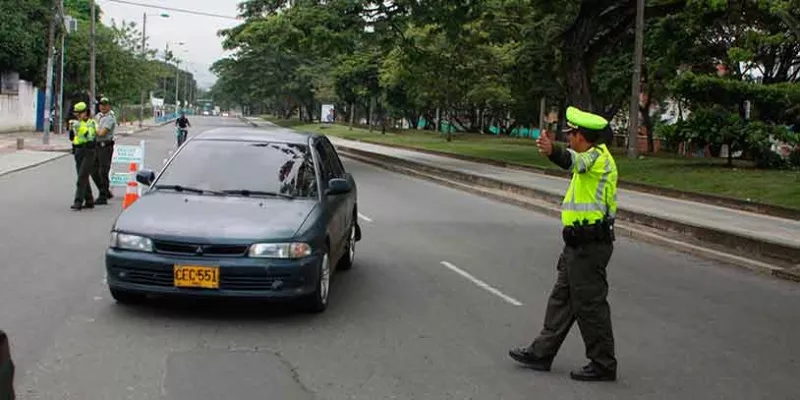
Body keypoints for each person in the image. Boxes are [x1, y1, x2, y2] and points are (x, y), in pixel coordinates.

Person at [509, 106, 619, 382]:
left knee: (590, 305)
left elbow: (573, 162)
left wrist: (552, 151)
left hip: (590, 245)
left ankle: (603, 364)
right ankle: (541, 353)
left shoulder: (597, 158)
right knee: (562, 300)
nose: (569, 138)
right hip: (577, 245)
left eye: (571, 134)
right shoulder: (590, 156)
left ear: (583, 136)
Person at [71, 102, 98, 211]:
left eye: (79, 113)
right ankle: (89, 200)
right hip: (78, 150)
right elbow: (73, 137)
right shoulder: (76, 123)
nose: (77, 116)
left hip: (89, 150)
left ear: (85, 112)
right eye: (76, 114)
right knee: (82, 175)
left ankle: (78, 201)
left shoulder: (91, 123)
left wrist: (79, 128)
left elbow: (90, 135)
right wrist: (72, 130)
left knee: (82, 176)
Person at [91, 97, 116, 204]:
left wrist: (92, 128)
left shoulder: (110, 118)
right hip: (96, 146)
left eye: (105, 104)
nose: (102, 106)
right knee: (93, 170)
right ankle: (105, 191)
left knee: (103, 171)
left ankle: (103, 196)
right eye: (101, 104)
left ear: (109, 106)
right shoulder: (98, 116)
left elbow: (102, 133)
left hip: (105, 146)